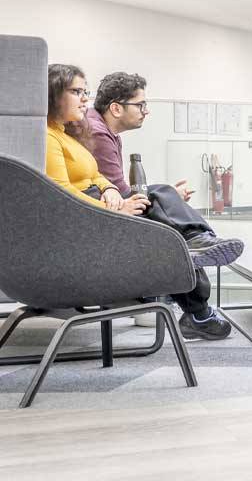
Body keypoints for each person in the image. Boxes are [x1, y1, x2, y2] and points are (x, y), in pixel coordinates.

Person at [45, 64, 234, 340]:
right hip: (89, 220)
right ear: (53, 94)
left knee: (165, 215)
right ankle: (198, 293)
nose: (85, 98)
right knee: (162, 208)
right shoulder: (54, 137)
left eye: (85, 91)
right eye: (76, 91)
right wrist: (117, 205)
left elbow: (96, 174)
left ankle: (198, 298)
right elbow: (61, 196)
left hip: (98, 207)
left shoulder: (68, 134)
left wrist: (108, 189)